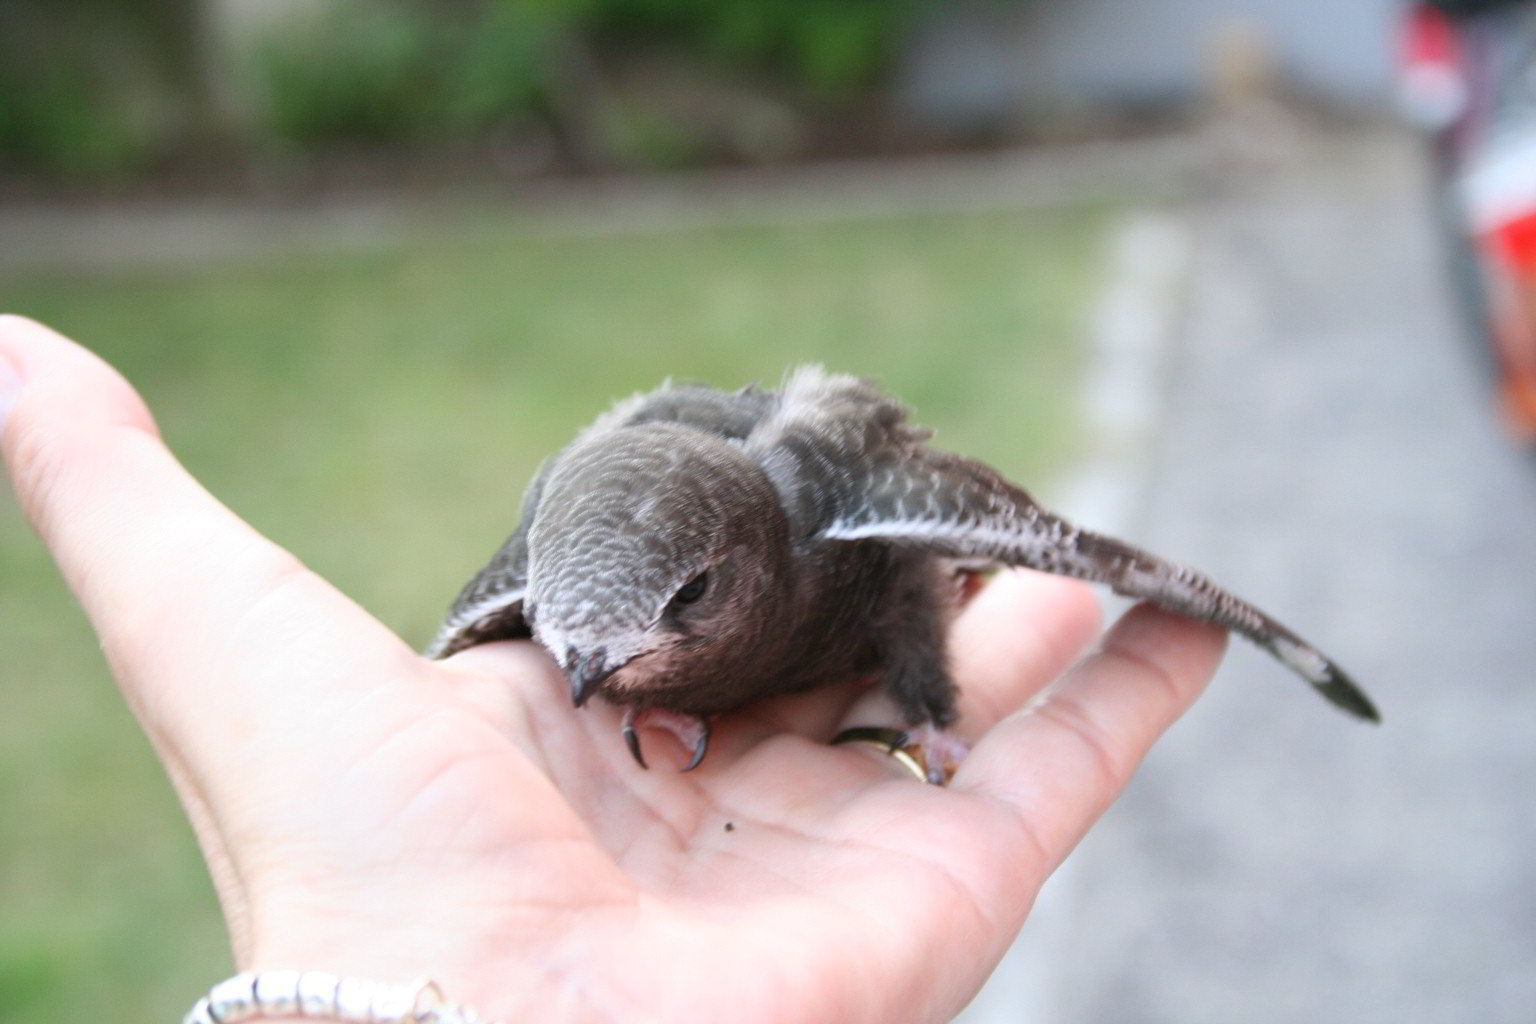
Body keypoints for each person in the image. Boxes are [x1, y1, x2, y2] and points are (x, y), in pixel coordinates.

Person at [0, 314, 1225, 1024]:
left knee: (997, 579)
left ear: (734, 564)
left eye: (658, 619)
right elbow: (575, 628)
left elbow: (1066, 550)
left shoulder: (828, 491)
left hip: (820, 565)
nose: (588, 675)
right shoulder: (572, 603)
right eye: (571, 638)